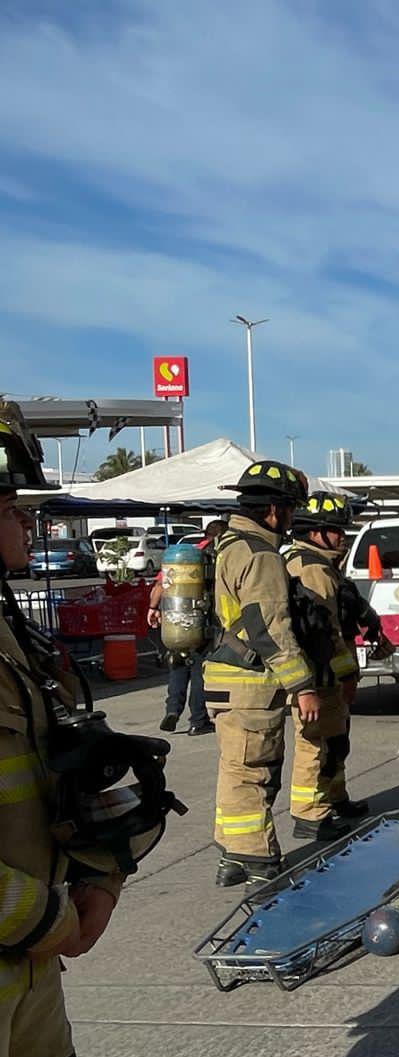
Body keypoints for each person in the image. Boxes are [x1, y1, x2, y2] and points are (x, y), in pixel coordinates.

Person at [0, 402, 122, 1056]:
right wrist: (52, 919)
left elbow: (53, 770)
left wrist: (104, 871)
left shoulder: (12, 636)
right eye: (8, 507)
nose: (24, 522)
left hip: (31, 961)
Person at [204, 460, 317, 888]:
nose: (292, 518)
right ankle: (258, 860)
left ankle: (233, 854)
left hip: (224, 678)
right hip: (250, 683)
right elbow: (270, 628)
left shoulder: (227, 545)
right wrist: (302, 685)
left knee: (235, 769)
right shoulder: (260, 555)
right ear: (273, 510)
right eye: (290, 509)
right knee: (254, 771)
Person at [283, 492, 368, 837]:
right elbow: (327, 631)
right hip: (319, 673)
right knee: (315, 745)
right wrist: (347, 673)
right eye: (336, 530)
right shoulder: (314, 570)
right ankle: (310, 816)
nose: (342, 537)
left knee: (336, 740)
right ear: (315, 533)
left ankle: (336, 797)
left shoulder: (310, 562)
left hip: (321, 670)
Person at [149, 519, 227, 737]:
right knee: (199, 671)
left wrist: (153, 608)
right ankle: (198, 721)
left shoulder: (183, 556)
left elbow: (160, 585)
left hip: (175, 621)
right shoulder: (216, 556)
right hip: (202, 622)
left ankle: (172, 710)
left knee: (178, 666)